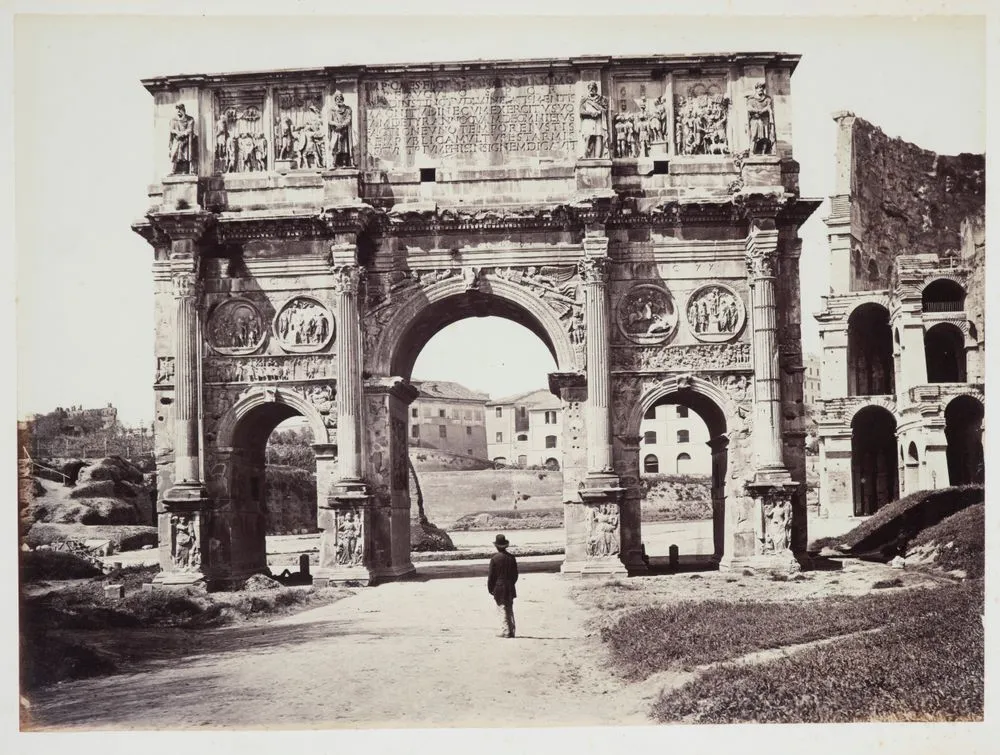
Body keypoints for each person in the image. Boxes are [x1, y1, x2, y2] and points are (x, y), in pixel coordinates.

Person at [487, 533, 518, 638]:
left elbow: (491, 576)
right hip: (509, 586)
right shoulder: (512, 558)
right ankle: (512, 630)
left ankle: (506, 631)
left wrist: (490, 588)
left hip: (499, 586)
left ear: (496, 546)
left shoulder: (495, 558)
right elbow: (515, 575)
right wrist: (511, 583)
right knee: (509, 608)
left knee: (502, 608)